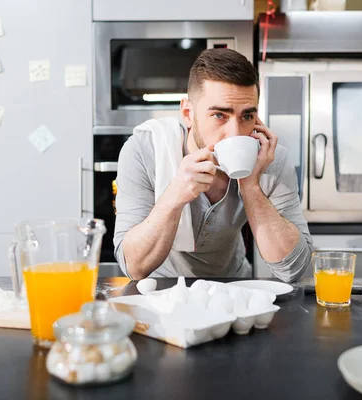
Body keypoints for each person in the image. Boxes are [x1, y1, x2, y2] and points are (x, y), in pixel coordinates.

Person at [113, 48, 313, 282]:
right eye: (220, 115)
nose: (234, 133)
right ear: (188, 113)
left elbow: (294, 269)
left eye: (247, 116)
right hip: (162, 289)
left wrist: (250, 186)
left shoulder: (269, 158)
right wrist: (175, 195)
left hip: (233, 285)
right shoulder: (145, 150)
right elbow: (134, 267)